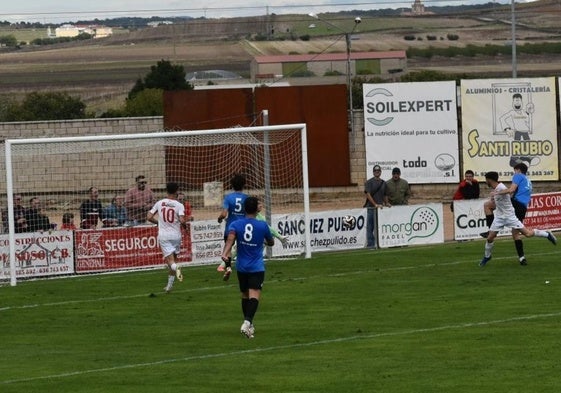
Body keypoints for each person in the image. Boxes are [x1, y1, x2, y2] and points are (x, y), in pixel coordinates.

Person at [220, 196, 274, 339]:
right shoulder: (262, 226)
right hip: (256, 267)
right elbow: (271, 242)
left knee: (244, 295)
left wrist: (225, 254)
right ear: (257, 209)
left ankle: (249, 325)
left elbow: (230, 241)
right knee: (254, 296)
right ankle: (247, 322)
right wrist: (264, 241)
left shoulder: (236, 225)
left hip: (242, 267)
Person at [479, 171, 556, 267]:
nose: (486, 182)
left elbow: (509, 190)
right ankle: (487, 256)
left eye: (486, 180)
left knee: (527, 234)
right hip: (499, 217)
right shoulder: (496, 189)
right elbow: (497, 200)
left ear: (489, 180)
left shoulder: (501, 187)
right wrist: (493, 198)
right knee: (490, 238)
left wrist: (496, 193)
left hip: (510, 217)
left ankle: (546, 234)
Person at [147, 182, 188, 293]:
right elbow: (182, 220)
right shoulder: (179, 205)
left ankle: (176, 268)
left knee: (170, 262)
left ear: (167, 191)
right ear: (177, 191)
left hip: (164, 236)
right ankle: (169, 286)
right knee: (173, 261)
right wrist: (185, 226)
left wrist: (158, 223)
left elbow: (149, 217)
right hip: (176, 236)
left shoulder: (159, 203)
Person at [217, 173, 248, 276]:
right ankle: (244, 266)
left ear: (232, 185)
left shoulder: (228, 198)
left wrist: (220, 218)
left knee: (228, 248)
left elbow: (224, 213)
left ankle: (229, 267)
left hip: (231, 227)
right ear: (244, 185)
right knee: (243, 247)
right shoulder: (246, 198)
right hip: (243, 227)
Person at [363, 164, 386, 248]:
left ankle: (380, 243)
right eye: (375, 171)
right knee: (370, 227)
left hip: (380, 209)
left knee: (379, 227)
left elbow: (385, 195)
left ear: (380, 172)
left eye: (378, 171)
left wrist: (386, 203)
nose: (377, 172)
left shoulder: (383, 183)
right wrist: (375, 204)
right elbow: (368, 195)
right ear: (373, 172)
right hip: (371, 208)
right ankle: (371, 244)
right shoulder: (369, 182)